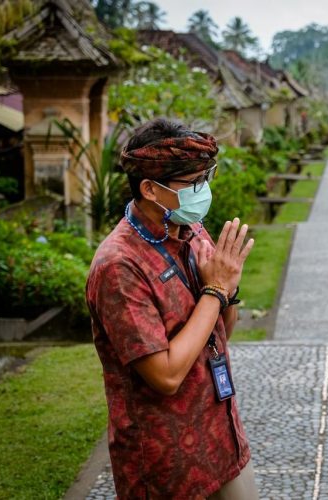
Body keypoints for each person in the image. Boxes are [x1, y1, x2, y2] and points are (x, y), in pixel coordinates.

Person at [86, 118, 257, 499]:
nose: (204, 190)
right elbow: (164, 376)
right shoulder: (119, 265)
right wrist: (215, 290)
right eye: (193, 183)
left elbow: (221, 330)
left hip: (221, 437)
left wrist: (228, 287)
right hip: (165, 462)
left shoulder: (192, 230)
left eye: (206, 178)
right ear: (150, 189)